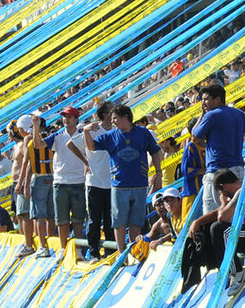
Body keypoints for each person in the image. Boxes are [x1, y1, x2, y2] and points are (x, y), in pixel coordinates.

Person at [85, 104, 163, 247]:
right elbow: (92, 147)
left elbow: (155, 152)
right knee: (119, 221)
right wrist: (86, 131)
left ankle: (134, 249)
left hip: (139, 183)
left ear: (125, 117)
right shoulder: (111, 135)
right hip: (119, 185)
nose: (113, 121)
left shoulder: (143, 133)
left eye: (115, 118)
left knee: (136, 221)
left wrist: (158, 173)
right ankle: (121, 251)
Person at [182, 168, 245, 296]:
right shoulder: (238, 193)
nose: (222, 196)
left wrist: (223, 202)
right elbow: (218, 213)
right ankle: (219, 270)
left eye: (221, 192)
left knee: (219, 229)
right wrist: (198, 222)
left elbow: (222, 216)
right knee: (206, 229)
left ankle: (237, 273)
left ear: (223, 187)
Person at [192, 83, 245, 213]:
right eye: (202, 99)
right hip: (237, 170)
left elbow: (194, 137)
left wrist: (202, 114)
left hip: (217, 172)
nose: (203, 103)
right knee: (240, 212)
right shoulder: (239, 114)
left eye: (206, 99)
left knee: (212, 213)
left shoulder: (211, 115)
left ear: (218, 99)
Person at [68, 101, 113, 260]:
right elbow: (71, 144)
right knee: (94, 219)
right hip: (95, 182)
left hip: (112, 182)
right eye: (112, 110)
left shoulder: (116, 130)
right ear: (105, 114)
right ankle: (94, 252)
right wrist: (85, 161)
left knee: (110, 220)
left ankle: (111, 252)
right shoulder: (93, 129)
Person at [41, 106, 87, 249]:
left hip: (79, 181)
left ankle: (78, 249)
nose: (66, 120)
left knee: (78, 219)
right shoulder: (58, 136)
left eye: (69, 117)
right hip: (60, 181)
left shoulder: (82, 135)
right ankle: (62, 248)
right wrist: (36, 127)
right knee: (62, 220)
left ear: (75, 118)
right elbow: (39, 144)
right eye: (64, 117)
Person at [17, 114, 55, 258]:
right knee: (51, 214)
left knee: (39, 214)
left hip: (39, 178)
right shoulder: (53, 137)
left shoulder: (31, 140)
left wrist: (24, 184)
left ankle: (42, 246)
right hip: (52, 177)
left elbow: (28, 164)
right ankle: (51, 242)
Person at [11, 115, 35, 257]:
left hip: (25, 181)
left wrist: (22, 183)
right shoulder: (28, 140)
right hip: (24, 181)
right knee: (22, 215)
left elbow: (27, 162)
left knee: (25, 214)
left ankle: (28, 244)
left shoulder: (27, 140)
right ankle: (29, 243)